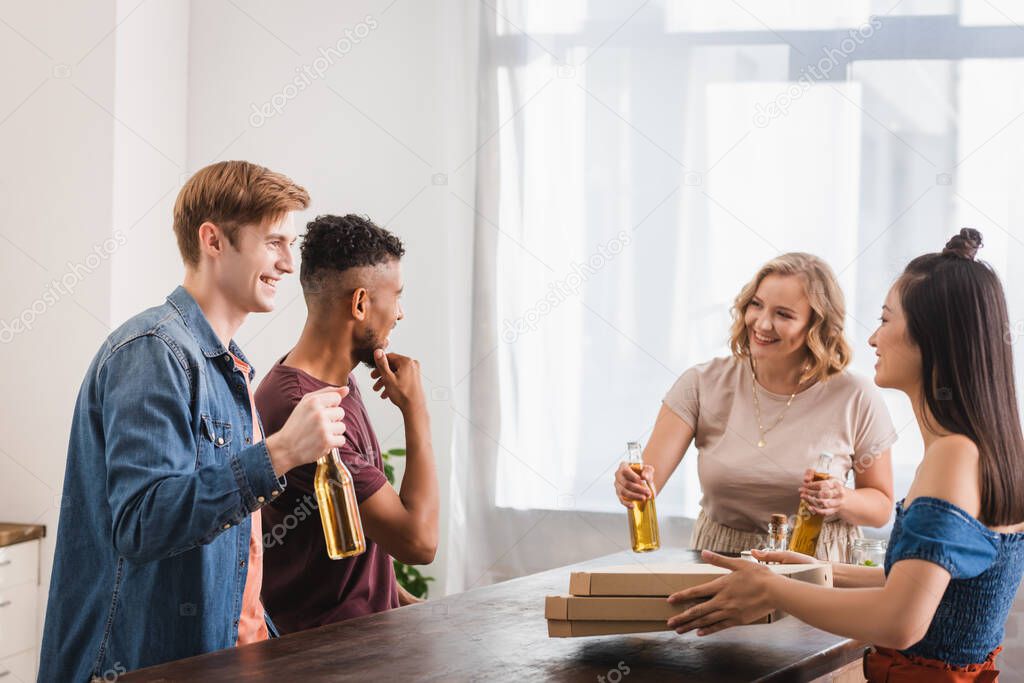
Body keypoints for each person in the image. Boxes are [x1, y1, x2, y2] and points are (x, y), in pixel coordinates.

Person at [38, 161, 352, 681]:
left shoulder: (231, 367)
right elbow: (142, 523)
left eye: (290, 245)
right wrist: (280, 453)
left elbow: (232, 554)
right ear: (214, 240)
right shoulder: (153, 352)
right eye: (274, 242)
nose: (287, 264)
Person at [666, 229, 1024, 681]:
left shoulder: (953, 456)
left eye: (886, 319)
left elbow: (901, 622)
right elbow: (924, 583)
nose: (874, 338)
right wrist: (817, 571)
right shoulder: (995, 449)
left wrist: (773, 591)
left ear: (931, 336)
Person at [615, 253, 897, 560]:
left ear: (817, 326)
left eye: (784, 315)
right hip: (722, 558)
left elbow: (881, 508)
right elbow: (648, 480)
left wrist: (840, 499)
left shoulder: (855, 395)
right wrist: (631, 484)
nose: (762, 323)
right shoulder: (701, 383)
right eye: (756, 305)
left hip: (816, 561)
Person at [254, 213, 439, 634]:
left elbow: (361, 548)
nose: (400, 314)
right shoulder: (300, 409)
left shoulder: (335, 384)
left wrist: (411, 605)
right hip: (329, 656)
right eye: (396, 296)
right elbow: (419, 543)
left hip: (366, 639)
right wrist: (417, 412)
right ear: (360, 304)